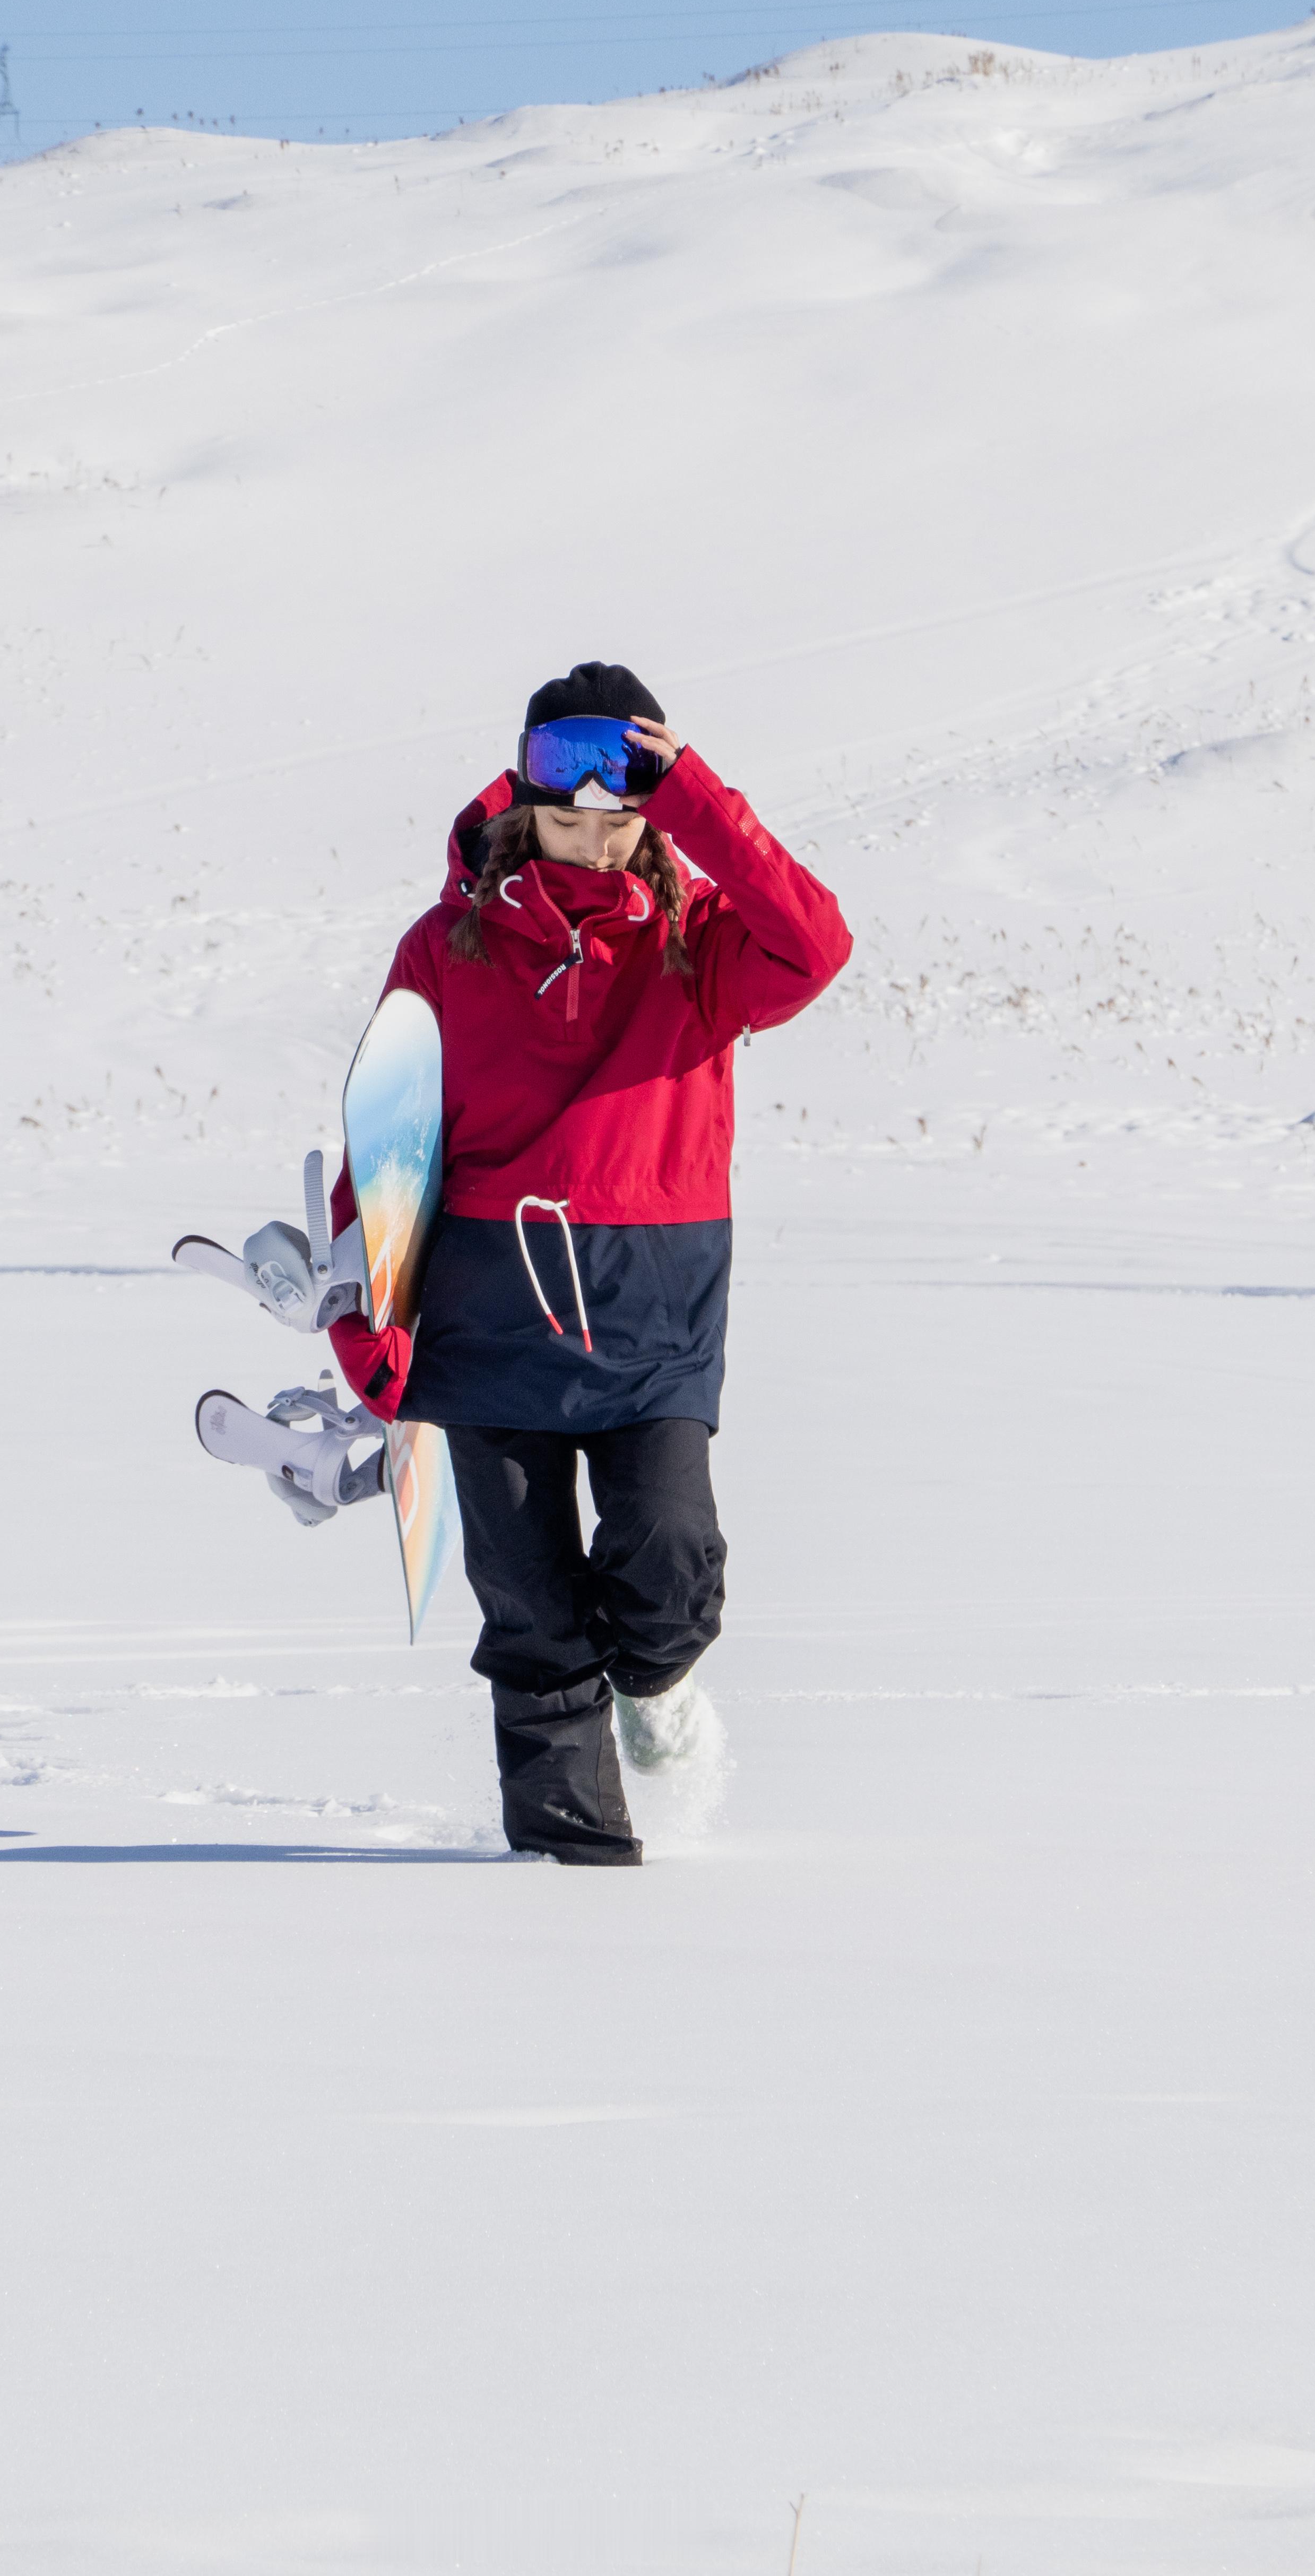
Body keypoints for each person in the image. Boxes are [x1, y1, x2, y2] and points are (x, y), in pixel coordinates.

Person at [327, 661, 852, 1865]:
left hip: (654, 1310)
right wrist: (368, 1308)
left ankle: (660, 1692)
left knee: (668, 1565)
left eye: (626, 818)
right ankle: (573, 1890)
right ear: (523, 803)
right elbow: (385, 1132)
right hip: (482, 1303)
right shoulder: (445, 947)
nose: (598, 843)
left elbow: (818, 947)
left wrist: (703, 803)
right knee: (532, 1618)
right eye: (571, 815)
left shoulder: (702, 942)